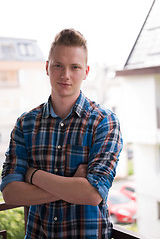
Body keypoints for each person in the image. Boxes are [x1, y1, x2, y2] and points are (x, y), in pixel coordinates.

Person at [1, 29, 123, 239]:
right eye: (58, 65)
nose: (65, 75)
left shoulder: (105, 122)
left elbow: (93, 194)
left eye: (74, 67)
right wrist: (72, 186)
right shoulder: (26, 123)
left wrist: (33, 175)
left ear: (86, 71)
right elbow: (11, 192)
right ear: (47, 67)